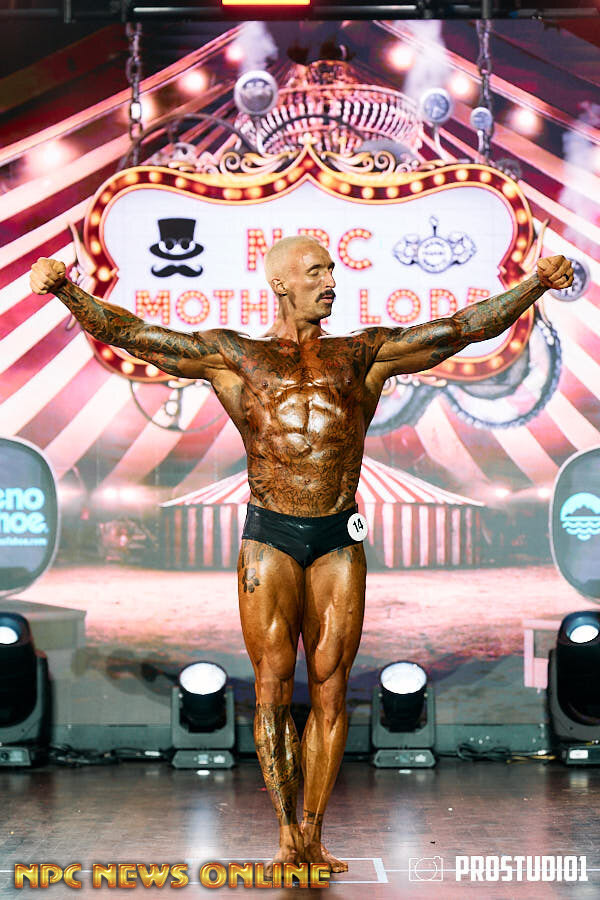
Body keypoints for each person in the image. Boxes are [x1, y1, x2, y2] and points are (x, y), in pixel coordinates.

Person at [30, 239, 573, 874]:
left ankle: (313, 833)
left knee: (330, 690)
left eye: (333, 270)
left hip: (337, 537)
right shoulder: (237, 357)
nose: (330, 281)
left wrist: (535, 284)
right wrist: (67, 290)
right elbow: (138, 336)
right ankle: (286, 834)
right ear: (282, 282)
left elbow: (458, 330)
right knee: (270, 688)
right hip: (270, 536)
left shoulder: (362, 354)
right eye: (317, 271)